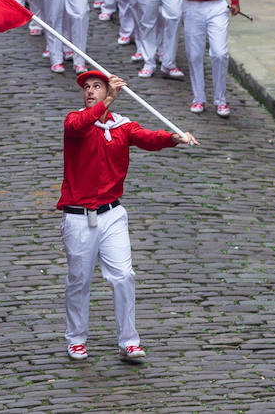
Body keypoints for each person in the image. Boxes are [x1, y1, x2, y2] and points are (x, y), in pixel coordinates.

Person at [58, 71, 197, 361]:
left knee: (123, 276)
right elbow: (80, 125)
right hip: (78, 217)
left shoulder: (122, 126)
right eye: (87, 88)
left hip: (112, 214)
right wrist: (107, 100)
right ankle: (76, 338)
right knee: (79, 280)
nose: (90, 91)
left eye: (97, 86)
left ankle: (129, 341)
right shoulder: (75, 121)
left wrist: (175, 138)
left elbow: (148, 138)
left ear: (108, 89)